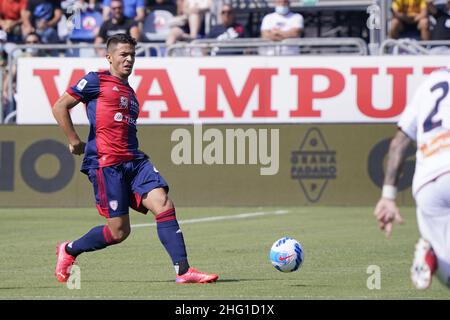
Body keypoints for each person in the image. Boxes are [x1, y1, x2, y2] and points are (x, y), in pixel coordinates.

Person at [52, 33, 219, 284]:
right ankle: (69, 250)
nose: (129, 59)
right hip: (107, 163)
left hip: (135, 161)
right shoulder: (95, 80)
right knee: (119, 232)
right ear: (109, 57)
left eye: (132, 55)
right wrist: (75, 140)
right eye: (123, 55)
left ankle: (184, 271)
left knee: (163, 203)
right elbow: (60, 105)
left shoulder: (130, 92)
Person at [374, 68, 450, 290]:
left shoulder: (429, 83)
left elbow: (398, 144)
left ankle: (431, 254)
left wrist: (388, 197)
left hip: (427, 183)